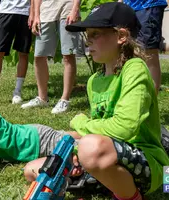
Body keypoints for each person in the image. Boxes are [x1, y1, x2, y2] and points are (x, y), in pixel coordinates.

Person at [23, 2, 169, 200]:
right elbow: (100, 127)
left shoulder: (135, 69)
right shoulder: (94, 81)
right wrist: (75, 151)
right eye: (86, 35)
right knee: (32, 169)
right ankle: (99, 182)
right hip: (108, 154)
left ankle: (132, 196)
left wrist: (81, 123)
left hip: (145, 162)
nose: (87, 41)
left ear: (121, 37)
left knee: (90, 147)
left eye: (95, 34)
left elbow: (124, 128)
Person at [21, 0, 80, 114]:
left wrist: (75, 8)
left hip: (68, 7)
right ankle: (42, 98)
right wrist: (36, 15)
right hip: (46, 10)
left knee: (68, 55)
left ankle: (65, 100)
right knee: (39, 55)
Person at [0, 0, 34, 105]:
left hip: (25, 13)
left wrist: (33, 13)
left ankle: (17, 92)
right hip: (6, 11)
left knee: (23, 53)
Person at [118, 0, 168, 94]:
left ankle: (151, 101)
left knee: (149, 52)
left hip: (148, 5)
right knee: (130, 50)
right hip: (130, 6)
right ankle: (135, 94)